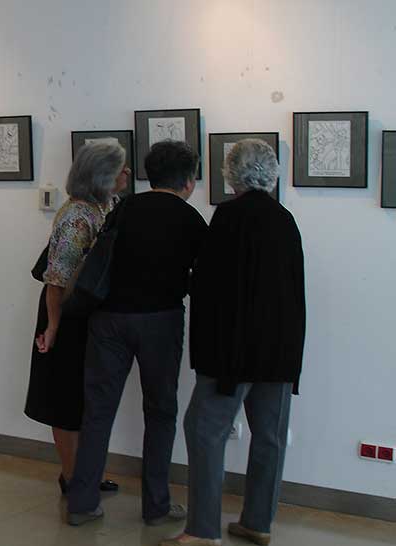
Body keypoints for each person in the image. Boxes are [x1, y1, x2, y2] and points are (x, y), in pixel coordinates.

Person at [162, 139, 305, 546]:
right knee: (270, 436)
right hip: (278, 353)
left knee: (204, 431)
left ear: (231, 173)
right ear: (271, 172)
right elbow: (295, 294)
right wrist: (292, 359)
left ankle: (202, 530)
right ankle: (258, 523)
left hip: (233, 354)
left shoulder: (228, 218)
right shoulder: (285, 220)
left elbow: (212, 290)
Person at [67, 140, 207, 526]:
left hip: (107, 320)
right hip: (160, 322)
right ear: (189, 181)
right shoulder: (191, 219)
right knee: (160, 413)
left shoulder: (124, 207)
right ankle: (156, 506)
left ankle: (81, 503)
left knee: (97, 412)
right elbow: (205, 278)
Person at [25, 140, 130, 495]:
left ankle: (88, 472)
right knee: (65, 400)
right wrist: (53, 328)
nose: (127, 175)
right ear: (103, 176)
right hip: (66, 315)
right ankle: (72, 476)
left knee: (90, 399)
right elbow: (57, 280)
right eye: (120, 170)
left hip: (90, 313)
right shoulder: (76, 217)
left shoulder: (108, 206)